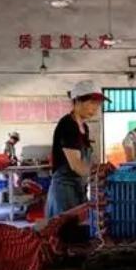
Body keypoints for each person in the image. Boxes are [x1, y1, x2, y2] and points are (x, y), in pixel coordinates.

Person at [46, 81, 106, 218]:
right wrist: (100, 176)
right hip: (64, 189)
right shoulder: (68, 125)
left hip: (79, 186)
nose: (96, 108)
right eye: (92, 103)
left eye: (98, 104)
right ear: (78, 100)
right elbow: (76, 165)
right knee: (66, 231)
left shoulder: (84, 128)